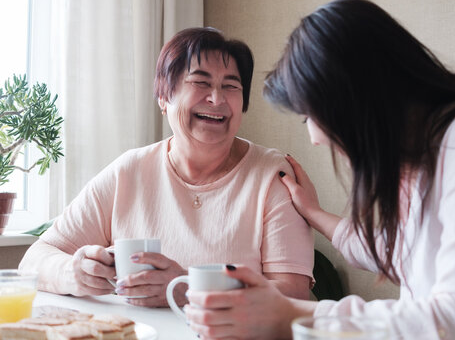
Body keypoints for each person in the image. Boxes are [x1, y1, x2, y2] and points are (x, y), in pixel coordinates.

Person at [183, 0, 455, 339]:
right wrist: (314, 213)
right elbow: (390, 250)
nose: (315, 138)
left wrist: (294, 314)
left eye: (308, 115)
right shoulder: (423, 158)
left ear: (349, 95)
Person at [19, 27, 314, 308]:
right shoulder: (129, 171)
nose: (217, 98)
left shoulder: (272, 174)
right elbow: (34, 260)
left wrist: (188, 287)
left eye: (231, 86)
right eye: (200, 82)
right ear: (164, 97)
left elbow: (293, 292)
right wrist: (75, 272)